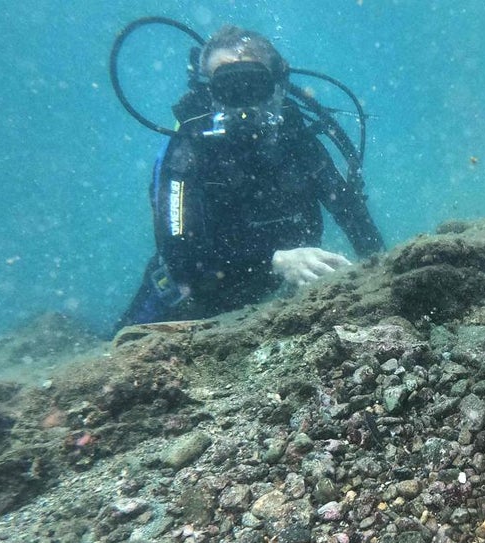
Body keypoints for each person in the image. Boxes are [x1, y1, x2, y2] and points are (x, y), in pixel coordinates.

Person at [115, 25, 384, 330]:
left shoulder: (299, 142)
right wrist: (275, 260)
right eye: (228, 88)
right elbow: (180, 259)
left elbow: (355, 218)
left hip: (271, 305)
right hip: (186, 307)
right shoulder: (187, 151)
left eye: (253, 85)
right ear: (208, 92)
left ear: (278, 86)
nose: (243, 105)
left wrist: (382, 281)